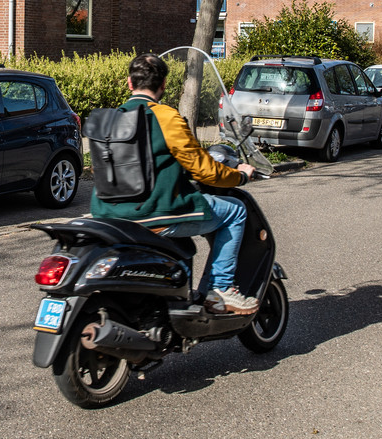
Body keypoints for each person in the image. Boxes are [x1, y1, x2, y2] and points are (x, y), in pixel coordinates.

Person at [90, 53, 260, 315]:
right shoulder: (165, 117)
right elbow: (202, 170)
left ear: (129, 83)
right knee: (236, 210)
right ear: (164, 85)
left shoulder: (107, 120)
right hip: (156, 215)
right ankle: (220, 291)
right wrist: (240, 175)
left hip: (108, 218)